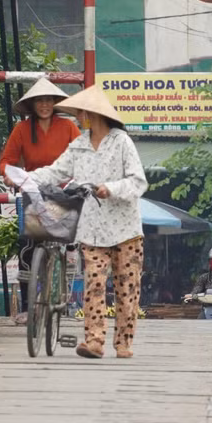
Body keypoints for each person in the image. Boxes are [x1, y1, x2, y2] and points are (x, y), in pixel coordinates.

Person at [27, 85, 147, 360]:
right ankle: (94, 341)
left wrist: (111, 189)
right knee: (94, 284)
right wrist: (26, 177)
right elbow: (55, 171)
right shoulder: (78, 146)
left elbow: (138, 181)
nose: (79, 117)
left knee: (126, 289)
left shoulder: (121, 142)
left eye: (82, 112)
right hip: (91, 229)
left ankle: (124, 343)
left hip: (125, 229)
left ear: (95, 114)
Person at [0, 78, 80, 321]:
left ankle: (64, 294)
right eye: (39, 101)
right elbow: (6, 161)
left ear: (54, 103)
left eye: (48, 100)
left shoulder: (68, 127)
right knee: (27, 244)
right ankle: (26, 306)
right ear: (32, 105)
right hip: (33, 191)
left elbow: (82, 155)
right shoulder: (21, 130)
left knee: (69, 240)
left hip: (62, 191)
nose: (44, 105)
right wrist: (9, 175)